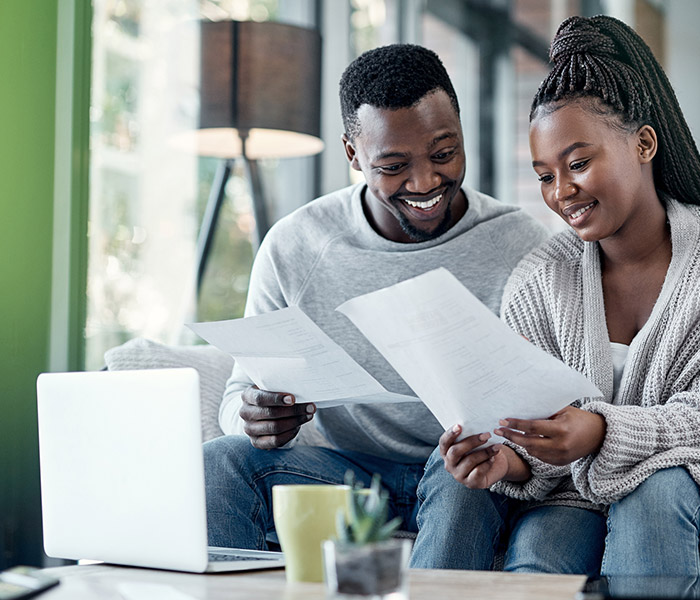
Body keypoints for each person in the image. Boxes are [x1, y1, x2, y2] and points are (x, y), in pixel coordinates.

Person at [419, 15, 700, 577]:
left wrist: (601, 430)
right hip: (587, 481)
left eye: (579, 164)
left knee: (654, 495)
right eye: (544, 175)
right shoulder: (540, 280)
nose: (562, 192)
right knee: (539, 551)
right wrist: (509, 460)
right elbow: (539, 446)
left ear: (643, 144)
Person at [202, 43, 549, 551]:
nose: (426, 181)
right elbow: (240, 393)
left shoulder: (520, 244)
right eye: (393, 165)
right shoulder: (297, 245)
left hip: (469, 470)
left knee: (464, 480)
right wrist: (253, 416)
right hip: (345, 474)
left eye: (444, 153)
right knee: (221, 459)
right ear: (352, 154)